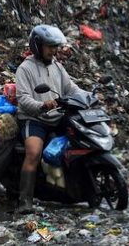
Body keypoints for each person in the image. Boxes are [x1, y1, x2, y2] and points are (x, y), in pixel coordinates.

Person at [14, 24, 89, 213]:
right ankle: (25, 202)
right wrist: (42, 105)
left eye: (55, 47)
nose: (53, 51)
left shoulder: (57, 66)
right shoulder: (25, 69)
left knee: (82, 139)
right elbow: (22, 99)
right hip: (34, 119)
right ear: (37, 46)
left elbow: (71, 88)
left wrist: (88, 96)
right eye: (50, 46)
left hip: (57, 116)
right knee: (33, 153)